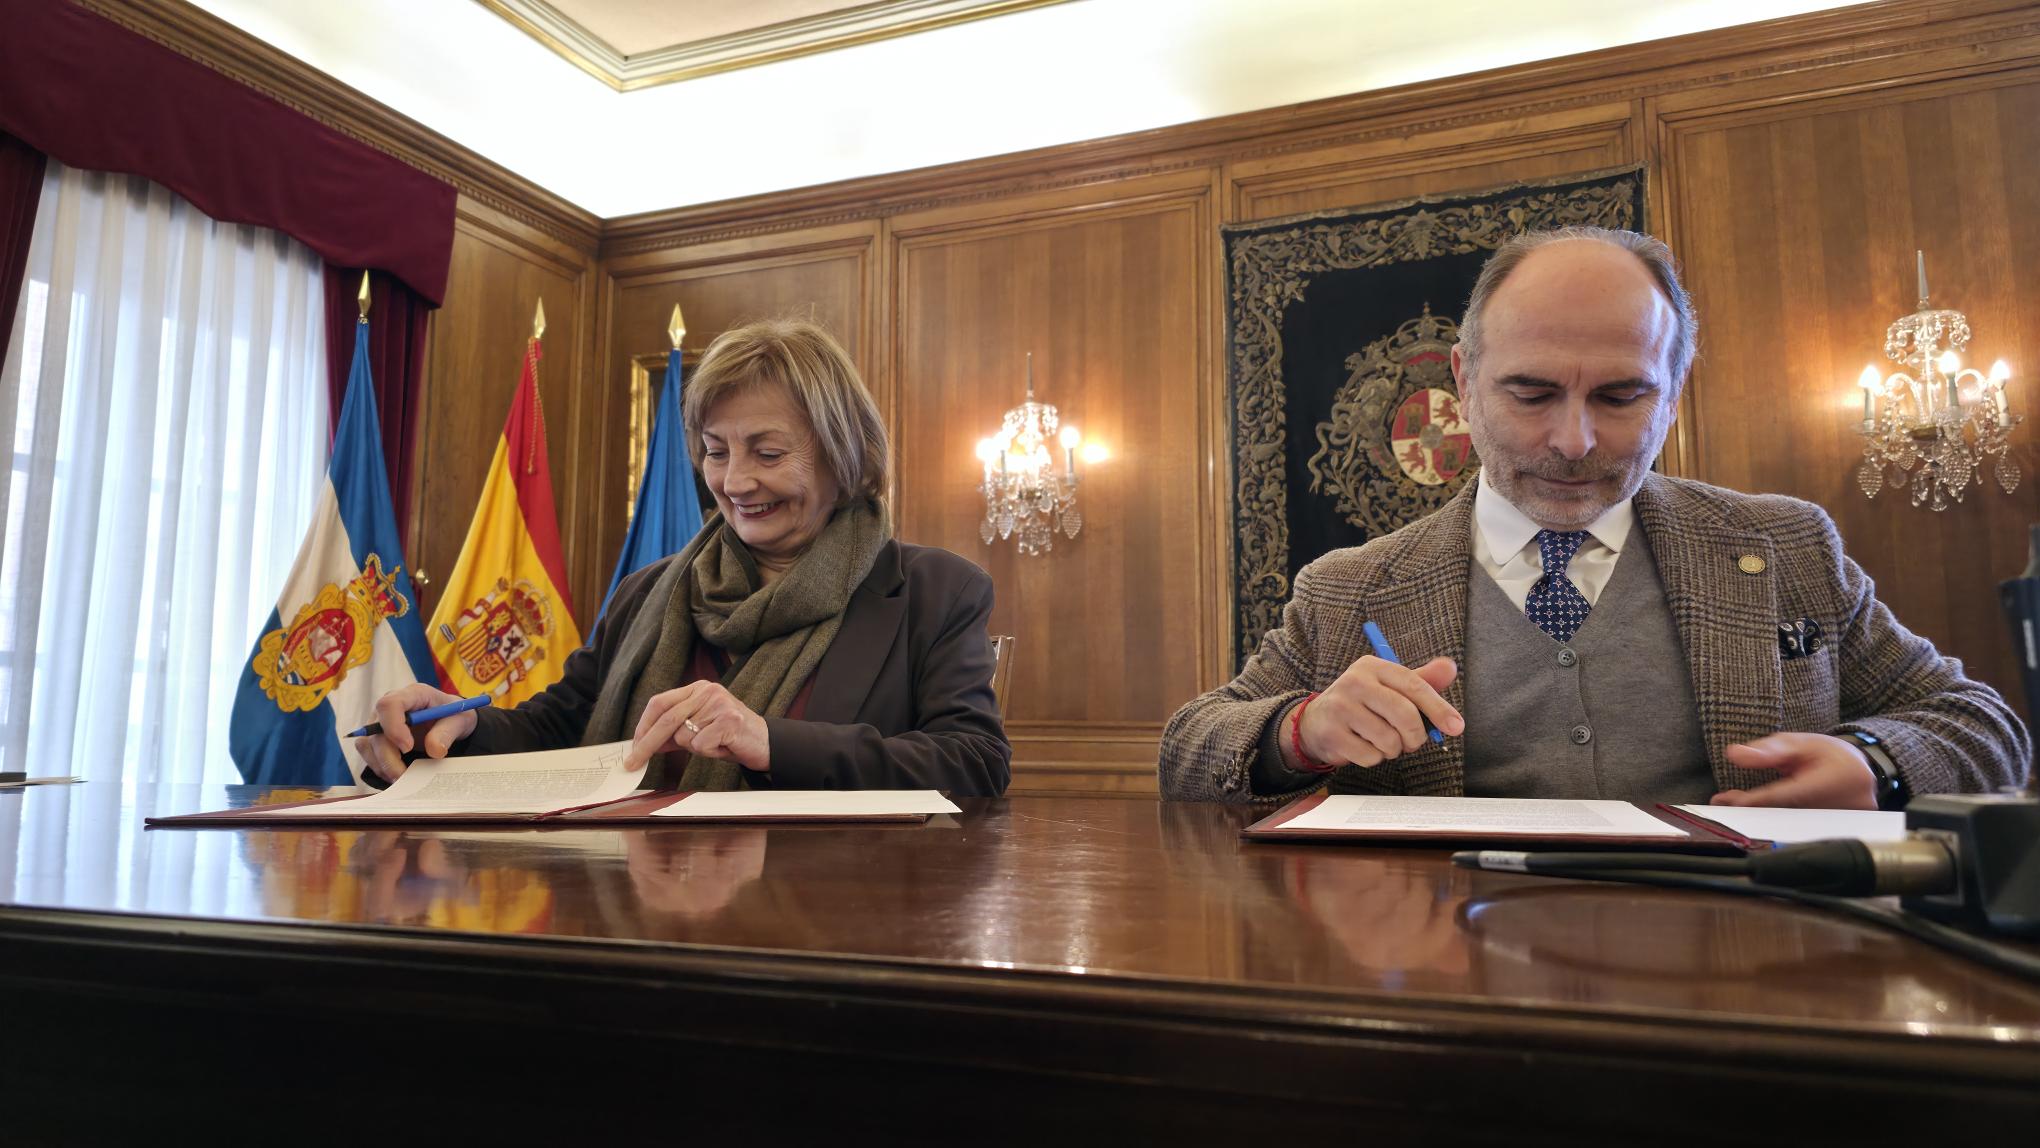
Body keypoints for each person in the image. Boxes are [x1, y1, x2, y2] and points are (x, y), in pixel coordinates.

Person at [1162, 227, 2028, 809]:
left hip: (1747, 975)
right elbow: (1190, 752)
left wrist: (1875, 764)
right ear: (1463, 382)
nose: (1573, 441)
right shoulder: (1349, 587)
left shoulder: (1785, 544)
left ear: (1674, 394)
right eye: (1531, 392)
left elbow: (1982, 725)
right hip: (1448, 997)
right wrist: (1299, 732)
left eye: (1620, 396)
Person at [358, 318, 1010, 795]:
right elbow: (563, 725)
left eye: (769, 452)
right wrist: (463, 723)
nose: (734, 481)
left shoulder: (934, 592)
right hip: (636, 914)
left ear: (844, 458)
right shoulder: (649, 592)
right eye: (716, 450)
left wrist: (768, 741)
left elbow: (974, 761)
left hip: (826, 926)